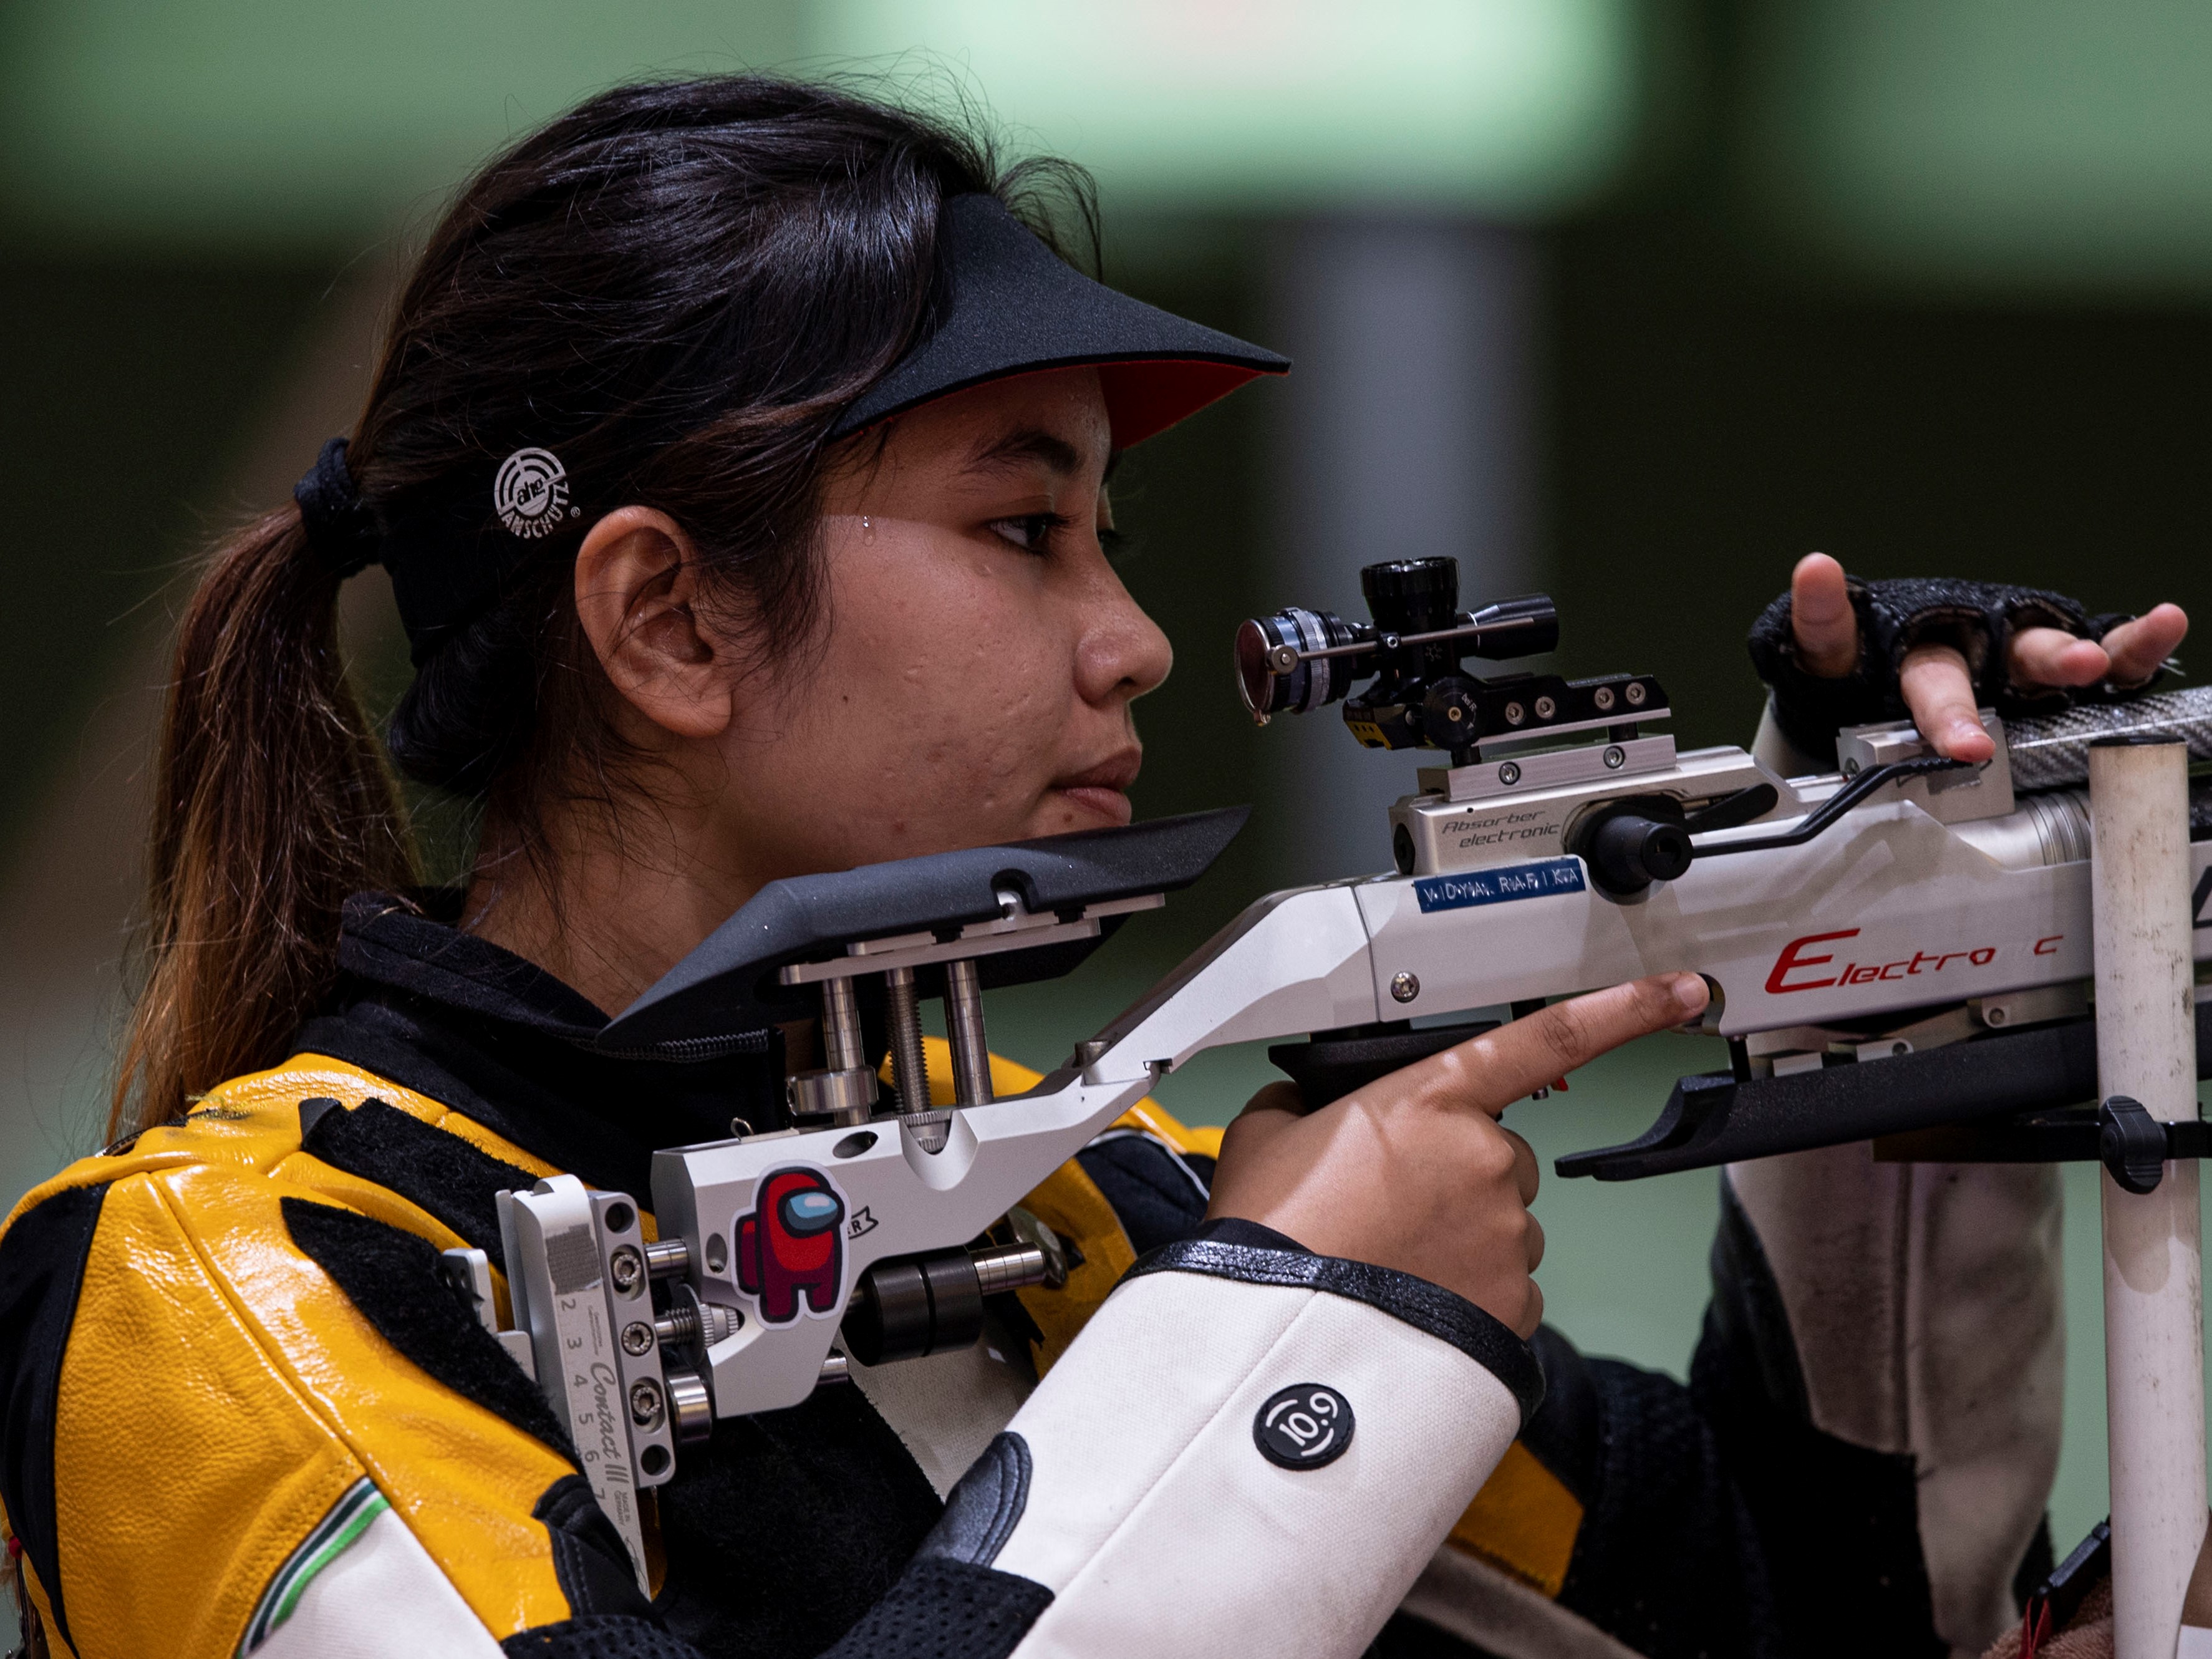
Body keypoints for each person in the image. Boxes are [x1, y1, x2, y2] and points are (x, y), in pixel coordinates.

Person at [0, 75, 2187, 1659]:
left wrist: (1893, 912)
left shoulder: (1080, 1205)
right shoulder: (225, 1301)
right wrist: (1295, 1335)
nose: (1135, 636)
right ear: (665, 620)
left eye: (1108, 540)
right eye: (1019, 524)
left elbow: (1822, 1614)